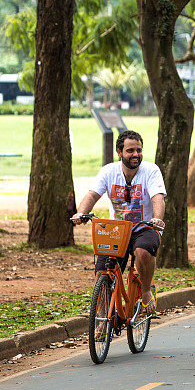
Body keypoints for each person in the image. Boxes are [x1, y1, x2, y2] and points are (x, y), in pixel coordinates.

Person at [72, 130, 166, 315]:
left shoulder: (151, 170)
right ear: (119, 151)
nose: (136, 155)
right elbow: (92, 194)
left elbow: (158, 197)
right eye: (130, 150)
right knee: (102, 272)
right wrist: (81, 213)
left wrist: (157, 218)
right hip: (118, 230)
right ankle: (101, 320)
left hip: (146, 227)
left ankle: (146, 291)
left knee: (143, 252)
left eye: (139, 150)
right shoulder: (108, 171)